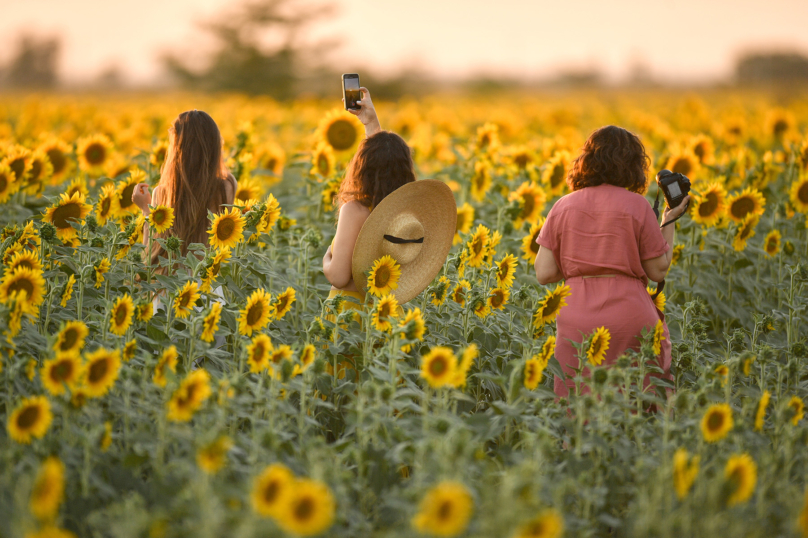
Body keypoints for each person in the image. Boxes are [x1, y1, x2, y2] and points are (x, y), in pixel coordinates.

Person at [533, 125, 690, 398]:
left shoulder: (563, 206)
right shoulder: (637, 205)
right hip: (629, 316)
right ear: (633, 165)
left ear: (586, 161)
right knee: (635, 399)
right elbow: (657, 270)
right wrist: (669, 220)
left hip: (576, 316)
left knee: (578, 401)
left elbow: (544, 273)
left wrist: (580, 262)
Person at [322, 87, 416, 308]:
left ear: (361, 167)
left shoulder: (355, 210)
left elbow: (339, 277)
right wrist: (371, 123)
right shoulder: (403, 212)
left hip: (351, 314)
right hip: (386, 313)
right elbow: (387, 161)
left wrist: (326, 260)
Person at [132, 109, 238, 274]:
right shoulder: (226, 187)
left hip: (170, 289)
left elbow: (150, 259)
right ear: (215, 147)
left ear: (176, 150)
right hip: (207, 288)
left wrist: (146, 211)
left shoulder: (162, 194)